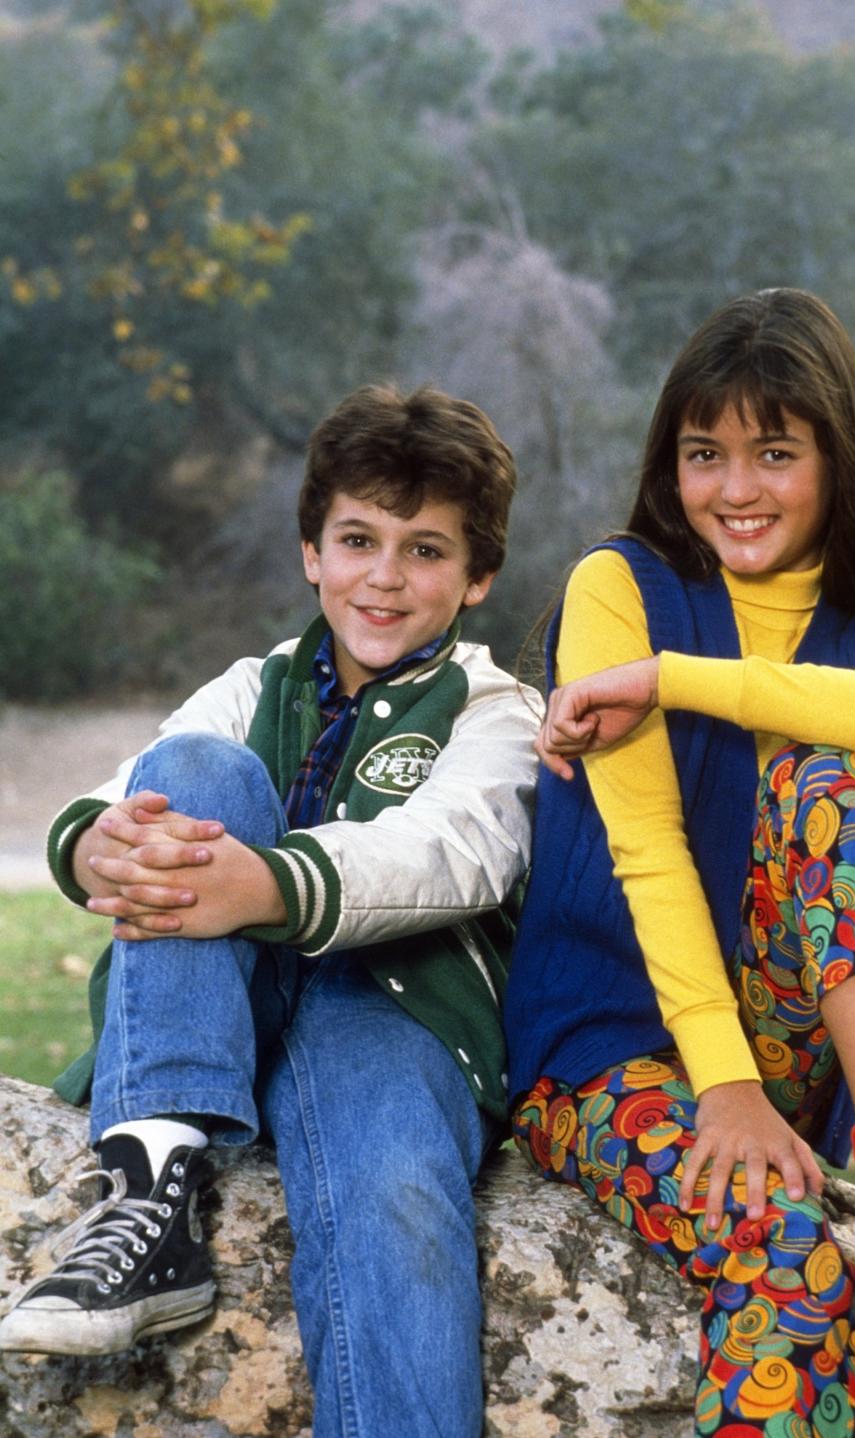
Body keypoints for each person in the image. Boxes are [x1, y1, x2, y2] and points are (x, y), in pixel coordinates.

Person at [0, 383, 541, 1438]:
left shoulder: (494, 712)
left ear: (479, 577)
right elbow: (130, 795)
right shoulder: (252, 685)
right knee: (195, 769)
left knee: (392, 1192)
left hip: (393, 1011)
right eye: (357, 539)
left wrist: (270, 885)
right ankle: (153, 1188)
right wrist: (98, 842)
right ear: (311, 552)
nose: (384, 576)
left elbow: (448, 855)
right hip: (221, 1011)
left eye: (426, 550)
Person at [504, 288, 855, 1438]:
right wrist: (725, 1086)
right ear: (673, 461)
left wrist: (668, 681)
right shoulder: (622, 587)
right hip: (607, 1047)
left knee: (826, 774)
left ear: (836, 460)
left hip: (784, 1047)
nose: (736, 488)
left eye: (775, 451)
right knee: (788, 1253)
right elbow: (648, 851)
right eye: (706, 453)